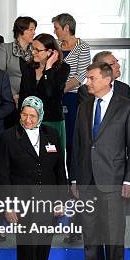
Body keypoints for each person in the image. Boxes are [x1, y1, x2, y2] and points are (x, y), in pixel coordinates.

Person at [71, 62, 130, 260]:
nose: (87, 82)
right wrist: (75, 179)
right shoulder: (83, 107)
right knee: (90, 232)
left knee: (112, 233)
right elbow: (78, 146)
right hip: (87, 180)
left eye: (91, 78)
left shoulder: (127, 107)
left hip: (114, 180)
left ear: (106, 79)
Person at [0, 96, 67, 260]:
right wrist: (7, 205)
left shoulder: (52, 134)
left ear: (40, 116)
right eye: (24, 115)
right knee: (27, 246)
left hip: (48, 202)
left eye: (32, 116)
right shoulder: (9, 137)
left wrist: (61, 200)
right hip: (22, 203)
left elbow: (60, 170)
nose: (28, 120)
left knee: (43, 245)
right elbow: (3, 174)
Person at [52, 13, 91, 183]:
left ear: (67, 28)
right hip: (53, 98)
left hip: (72, 98)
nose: (55, 32)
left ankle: (73, 182)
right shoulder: (56, 47)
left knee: (71, 142)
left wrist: (60, 90)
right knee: (55, 142)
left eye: (57, 28)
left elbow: (81, 75)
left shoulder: (83, 47)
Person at [19, 33, 70, 153]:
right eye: (32, 48)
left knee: (52, 159)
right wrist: (22, 118)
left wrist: (48, 69)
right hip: (28, 120)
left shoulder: (63, 68)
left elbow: (50, 93)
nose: (33, 52)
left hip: (51, 120)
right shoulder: (28, 67)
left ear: (50, 52)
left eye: (38, 50)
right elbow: (23, 95)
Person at [0, 16, 37, 106]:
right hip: (10, 99)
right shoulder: (5, 48)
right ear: (21, 30)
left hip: (32, 99)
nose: (34, 33)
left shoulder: (36, 50)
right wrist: (11, 95)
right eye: (31, 29)